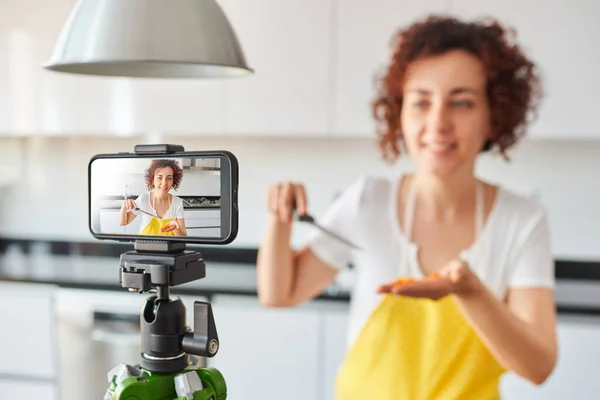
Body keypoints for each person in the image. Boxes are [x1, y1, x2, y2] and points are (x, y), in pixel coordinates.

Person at [257, 15, 557, 399]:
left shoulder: (522, 221)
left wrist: (470, 292)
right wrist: (278, 217)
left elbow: (539, 367)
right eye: (420, 102)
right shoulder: (368, 201)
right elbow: (279, 293)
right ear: (399, 113)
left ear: (493, 116)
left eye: (461, 102)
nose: (438, 123)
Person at [119, 159, 187, 236]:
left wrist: (175, 228)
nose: (164, 183)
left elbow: (183, 236)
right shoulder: (143, 199)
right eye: (159, 177)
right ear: (152, 180)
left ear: (173, 181)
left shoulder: (177, 203)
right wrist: (124, 207)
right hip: (145, 247)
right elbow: (123, 222)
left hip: (169, 247)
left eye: (169, 178)